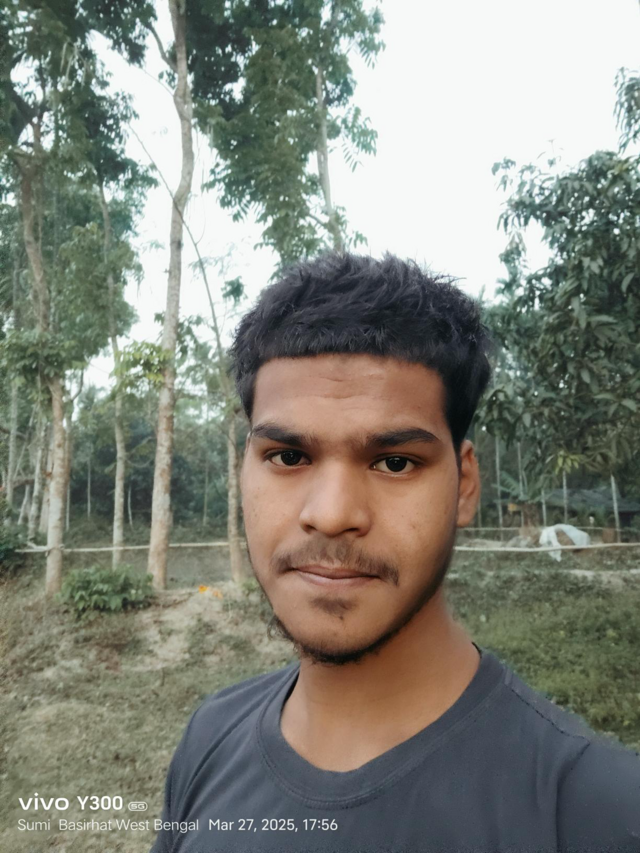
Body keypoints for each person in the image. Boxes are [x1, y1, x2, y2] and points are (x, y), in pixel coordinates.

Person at [150, 253, 640, 853]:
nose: (332, 514)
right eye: (288, 456)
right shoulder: (209, 736)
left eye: (396, 462)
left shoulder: (596, 811)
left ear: (464, 486)